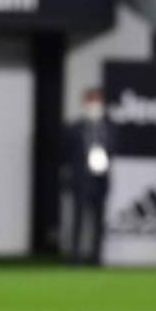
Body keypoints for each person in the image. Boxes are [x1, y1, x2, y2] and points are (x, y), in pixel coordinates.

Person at [64, 87, 111, 265]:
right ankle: (75, 257)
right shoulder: (74, 128)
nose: (94, 105)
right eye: (91, 101)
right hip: (81, 179)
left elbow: (114, 148)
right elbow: (66, 153)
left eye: (97, 101)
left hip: (100, 179)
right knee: (78, 219)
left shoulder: (108, 128)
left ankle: (97, 257)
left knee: (99, 221)